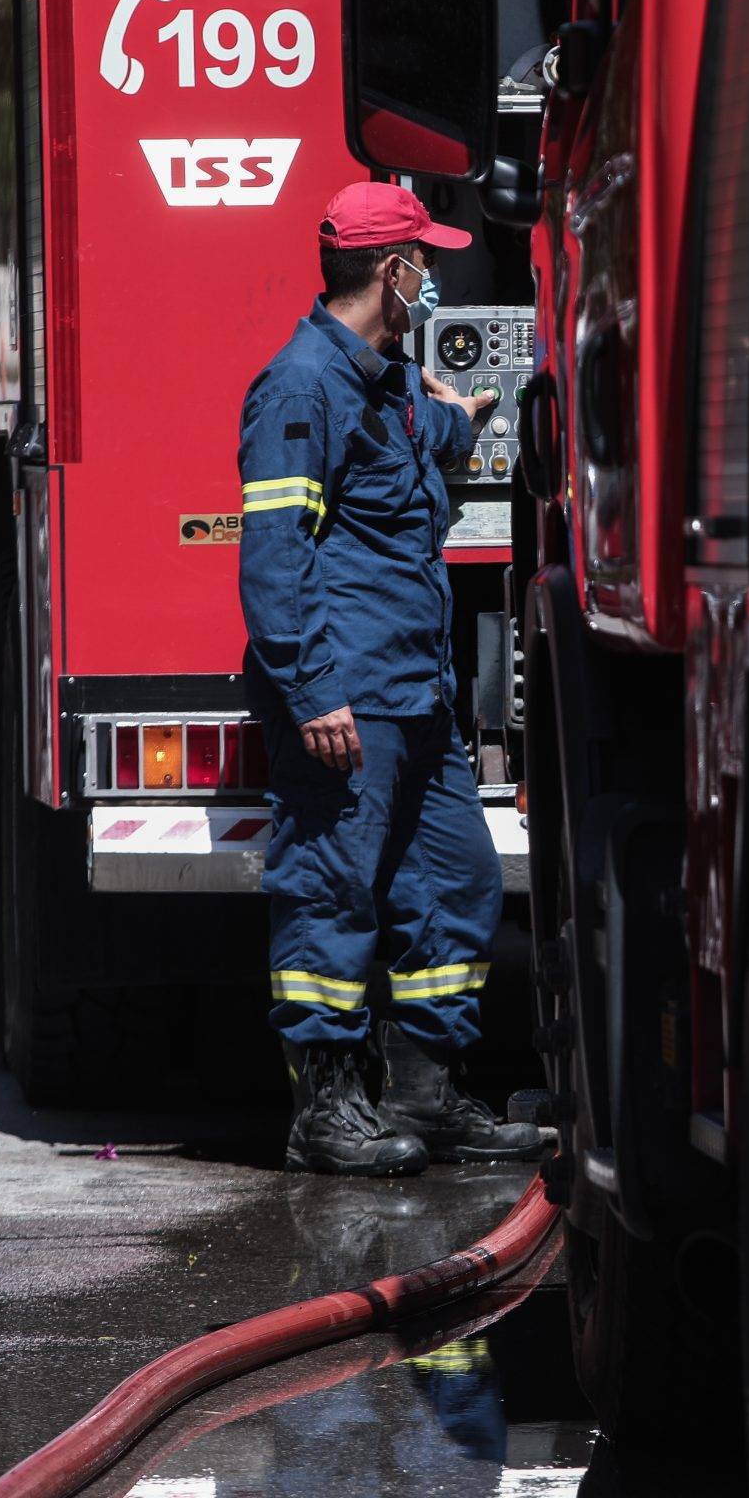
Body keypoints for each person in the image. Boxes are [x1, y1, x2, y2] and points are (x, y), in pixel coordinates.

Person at [237, 180, 547, 1176]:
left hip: (418, 695)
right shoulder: (300, 389)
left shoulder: (391, 382)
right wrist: (312, 691)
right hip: (349, 700)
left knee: (457, 880)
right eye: (426, 262)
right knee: (332, 894)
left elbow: (428, 438)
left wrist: (476, 411)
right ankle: (326, 1108)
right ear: (390, 270)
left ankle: (427, 1095)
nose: (434, 279)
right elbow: (274, 555)